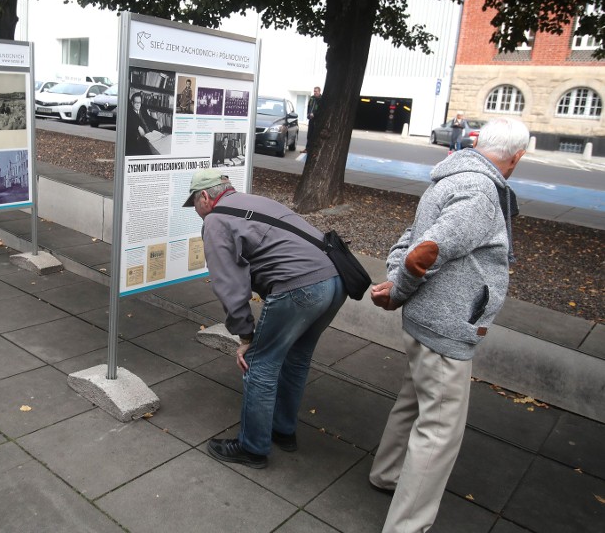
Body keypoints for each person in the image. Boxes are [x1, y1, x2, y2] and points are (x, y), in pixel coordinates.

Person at [368, 118, 529, 532]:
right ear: (517, 157)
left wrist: (395, 281)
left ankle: (387, 474)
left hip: (426, 321)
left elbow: (412, 239)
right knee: (439, 432)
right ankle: (407, 526)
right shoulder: (480, 191)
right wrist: (399, 288)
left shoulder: (450, 179)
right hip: (445, 326)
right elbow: (426, 251)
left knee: (415, 401)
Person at [183, 168, 347, 469]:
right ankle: (283, 432)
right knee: (296, 358)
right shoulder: (253, 201)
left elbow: (230, 286)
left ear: (205, 197)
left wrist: (246, 337)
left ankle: (252, 448)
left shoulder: (216, 220)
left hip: (301, 287)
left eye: (194, 204)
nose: (196, 211)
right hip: (336, 280)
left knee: (260, 364)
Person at [126, 91, 156, 156]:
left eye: (139, 102)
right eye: (136, 102)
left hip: (151, 134)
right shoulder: (129, 112)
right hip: (143, 138)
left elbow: (149, 118)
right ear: (132, 103)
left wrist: (156, 121)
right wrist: (138, 127)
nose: (138, 105)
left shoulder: (142, 109)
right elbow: (130, 122)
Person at [305, 86, 322, 152]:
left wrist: (314, 114)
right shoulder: (312, 98)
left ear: (319, 91)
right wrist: (308, 114)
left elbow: (321, 109)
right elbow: (309, 106)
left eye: (316, 91)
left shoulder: (321, 99)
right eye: (314, 91)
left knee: (315, 135)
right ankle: (307, 148)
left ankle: (314, 149)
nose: (315, 92)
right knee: (309, 134)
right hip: (311, 119)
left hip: (317, 119)